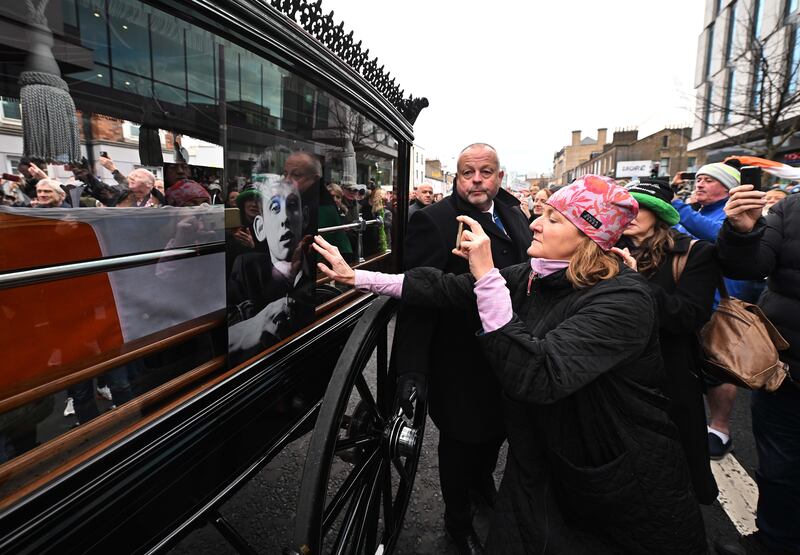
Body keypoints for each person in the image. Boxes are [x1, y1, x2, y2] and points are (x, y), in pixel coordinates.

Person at [314, 175, 706, 554]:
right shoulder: (537, 275)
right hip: (540, 462)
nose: (535, 223)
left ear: (587, 236)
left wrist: (486, 275)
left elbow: (537, 376)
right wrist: (360, 278)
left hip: (610, 475)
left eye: (553, 219)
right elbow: (447, 287)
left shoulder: (625, 299)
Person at [393, 143, 532, 554]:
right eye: (468, 172)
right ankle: (457, 521)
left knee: (497, 431)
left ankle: (480, 483)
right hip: (459, 357)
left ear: (499, 177)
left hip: (508, 351)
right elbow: (417, 295)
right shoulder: (434, 222)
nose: (476, 179)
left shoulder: (511, 214)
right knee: (460, 440)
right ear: (456, 177)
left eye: (485, 172)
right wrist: (412, 369)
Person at [613, 179, 720, 505]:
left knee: (674, 469)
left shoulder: (695, 253)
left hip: (669, 377)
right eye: (624, 207)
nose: (630, 213)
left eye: (639, 207)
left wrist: (634, 282)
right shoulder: (606, 247)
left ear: (658, 214)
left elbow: (687, 317)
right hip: (616, 372)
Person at [714, 184, 800, 555]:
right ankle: (774, 542)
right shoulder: (791, 209)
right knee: (780, 465)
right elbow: (748, 265)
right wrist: (742, 232)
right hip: (788, 371)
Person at [672, 162, 756, 460]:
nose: (700, 184)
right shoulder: (699, 211)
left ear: (727, 188)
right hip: (689, 300)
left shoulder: (733, 213)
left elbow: (716, 234)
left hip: (720, 303)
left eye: (709, 180)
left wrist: (677, 208)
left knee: (719, 370)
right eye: (699, 179)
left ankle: (720, 429)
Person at [227, 177, 314, 364]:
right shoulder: (245, 267)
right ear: (260, 227)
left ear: (305, 217)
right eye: (275, 208)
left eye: (292, 206)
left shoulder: (316, 268)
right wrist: (258, 324)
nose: (285, 218)